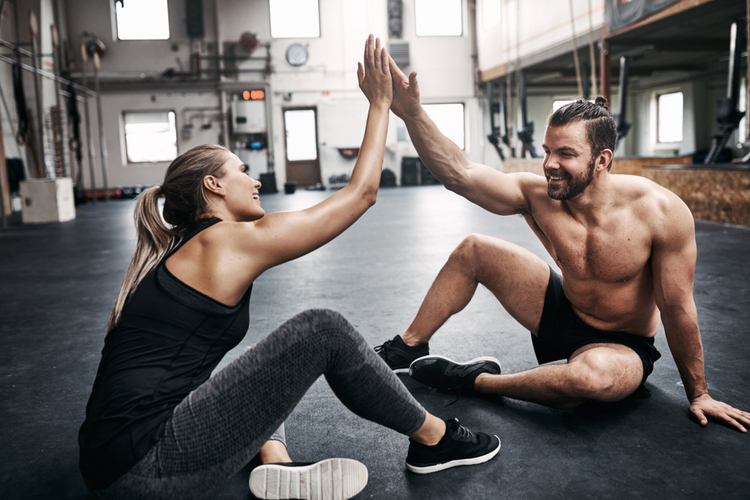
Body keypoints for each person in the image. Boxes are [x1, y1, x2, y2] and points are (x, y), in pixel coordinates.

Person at [78, 36, 500, 500]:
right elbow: (360, 195)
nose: (255, 178)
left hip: (113, 459)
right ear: (213, 185)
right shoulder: (221, 242)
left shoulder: (182, 248)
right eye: (242, 170)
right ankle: (435, 441)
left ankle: (277, 464)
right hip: (144, 466)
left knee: (262, 360)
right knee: (322, 330)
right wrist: (381, 104)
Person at [374, 57, 750, 433]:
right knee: (474, 248)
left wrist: (699, 394)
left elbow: (678, 306)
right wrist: (412, 114)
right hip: (559, 310)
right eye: (547, 151)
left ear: (602, 160)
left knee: (586, 380)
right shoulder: (538, 195)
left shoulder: (661, 213)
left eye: (566, 154)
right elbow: (461, 174)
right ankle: (409, 345)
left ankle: (473, 380)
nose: (550, 164)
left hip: (621, 344)